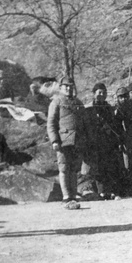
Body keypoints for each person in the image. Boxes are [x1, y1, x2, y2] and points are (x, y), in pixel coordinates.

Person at [47, 76, 87, 209]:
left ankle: (73, 196)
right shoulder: (56, 102)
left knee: (75, 170)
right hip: (63, 141)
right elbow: (51, 123)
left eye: (71, 86)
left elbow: (84, 123)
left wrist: (84, 139)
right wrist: (54, 140)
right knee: (64, 169)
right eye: (66, 86)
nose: (69, 88)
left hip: (77, 141)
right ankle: (66, 197)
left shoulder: (79, 103)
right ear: (61, 88)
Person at [81, 83, 125, 200]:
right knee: (97, 169)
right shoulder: (88, 109)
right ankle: (100, 191)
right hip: (94, 143)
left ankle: (110, 191)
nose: (102, 95)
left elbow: (114, 125)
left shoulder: (109, 109)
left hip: (108, 143)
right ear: (94, 93)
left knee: (109, 167)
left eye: (104, 92)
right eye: (99, 92)